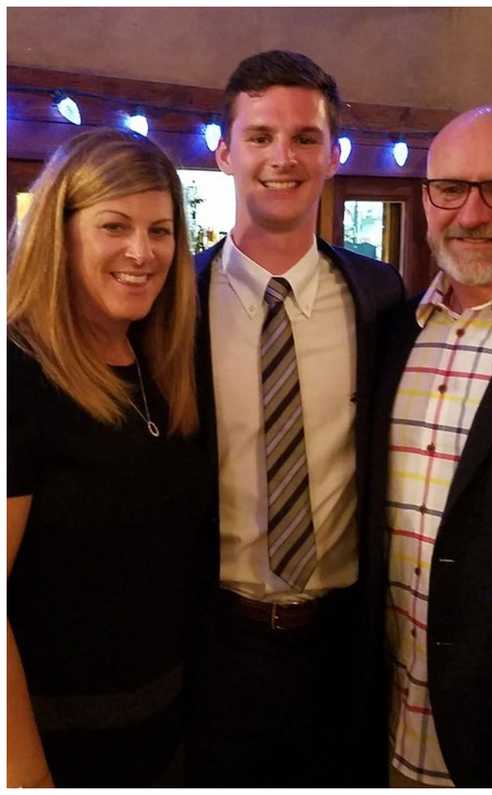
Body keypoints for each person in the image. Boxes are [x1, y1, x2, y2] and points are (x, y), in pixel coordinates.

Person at [189, 50, 403, 786]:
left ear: (333, 155)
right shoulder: (168, 306)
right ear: (224, 152)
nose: (283, 157)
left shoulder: (381, 298)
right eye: (260, 136)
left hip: (347, 645)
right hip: (211, 643)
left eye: (306, 137)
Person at [363, 105, 492, 787]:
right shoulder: (391, 331)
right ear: (425, 200)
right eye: (450, 189)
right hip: (381, 729)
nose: (471, 213)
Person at [7, 128, 206, 786]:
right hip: (58, 747)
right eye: (114, 226)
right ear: (59, 234)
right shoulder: (18, 372)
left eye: (160, 230)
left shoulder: (158, 363)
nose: (142, 252)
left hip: (163, 734)